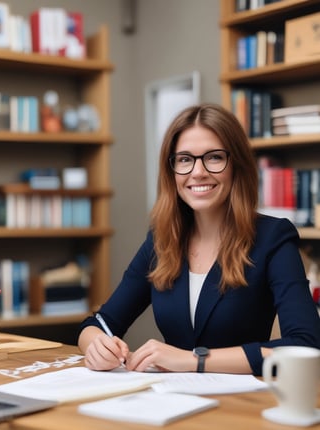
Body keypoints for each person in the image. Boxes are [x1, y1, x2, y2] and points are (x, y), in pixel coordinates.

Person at [77, 103, 320, 376]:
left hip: (243, 406)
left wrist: (195, 360)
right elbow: (99, 323)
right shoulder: (161, 240)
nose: (197, 172)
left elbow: (306, 345)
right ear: (172, 171)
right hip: (169, 404)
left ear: (236, 166)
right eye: (184, 159)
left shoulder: (273, 238)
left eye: (214, 157)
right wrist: (96, 346)